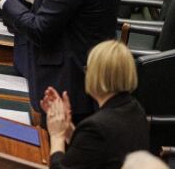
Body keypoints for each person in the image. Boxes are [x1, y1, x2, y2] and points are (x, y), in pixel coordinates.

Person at [43, 40, 149, 169]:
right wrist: (67, 129)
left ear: (95, 75)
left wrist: (57, 136)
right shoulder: (135, 109)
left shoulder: (96, 127)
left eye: (87, 69)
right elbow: (95, 153)